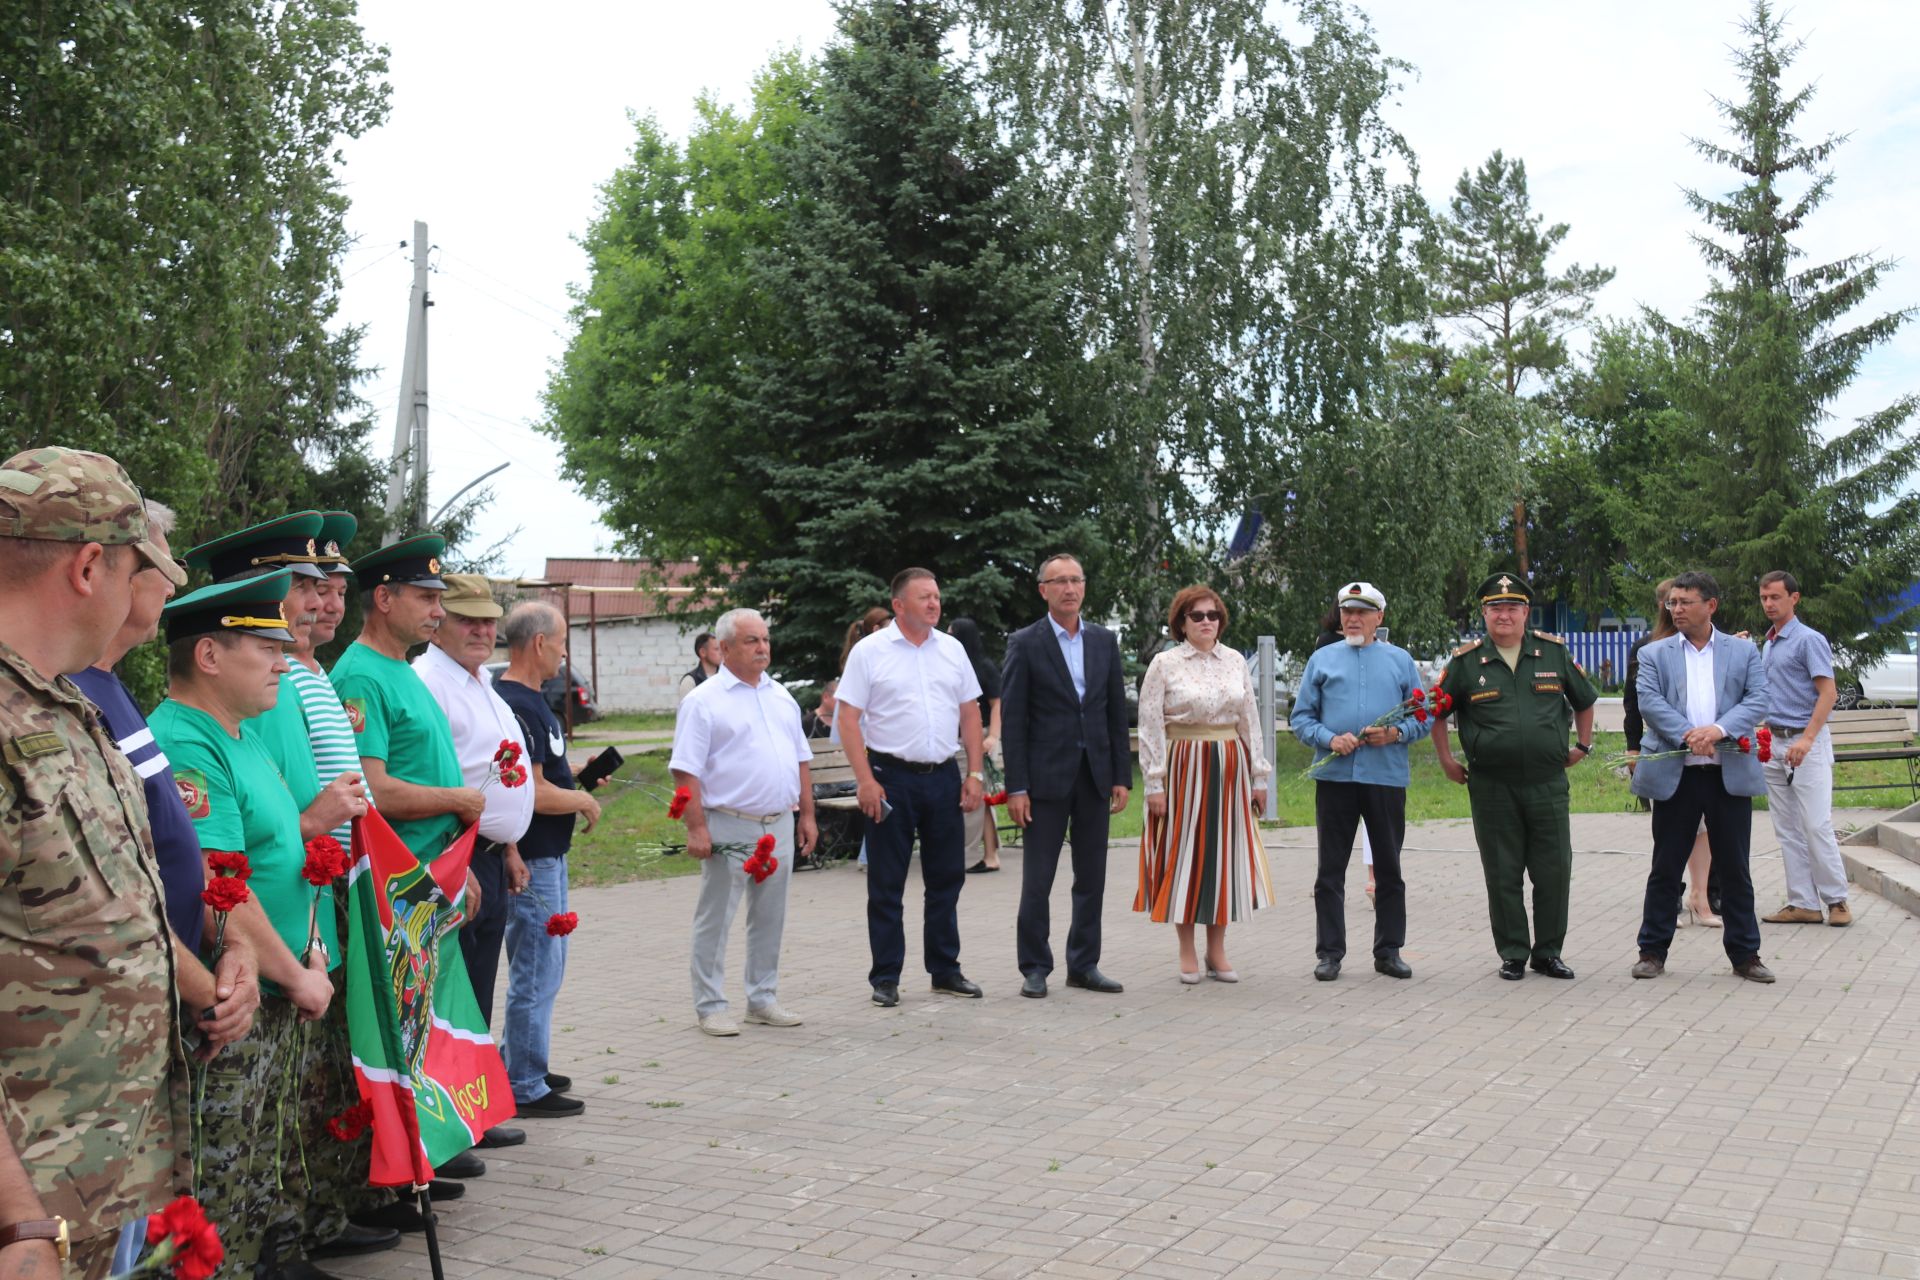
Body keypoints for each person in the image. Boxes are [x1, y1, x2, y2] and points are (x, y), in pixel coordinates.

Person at [0, 446, 189, 1280]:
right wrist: (20, 1225)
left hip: (98, 1182)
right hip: (33, 1211)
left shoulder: (67, 703)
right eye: (132, 570)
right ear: (88, 566)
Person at [149, 570, 357, 1279]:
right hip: (235, 996)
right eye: (265, 649)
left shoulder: (242, 734)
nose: (283, 661)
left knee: (258, 1169)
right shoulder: (185, 741)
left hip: (275, 987)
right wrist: (296, 972)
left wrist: (313, 952)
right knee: (218, 1184)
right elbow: (221, 885)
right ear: (209, 656)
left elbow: (282, 855)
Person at [67, 500, 260, 1047]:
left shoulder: (110, 685)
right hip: (116, 1013)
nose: (174, 589)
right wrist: (208, 990)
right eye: (166, 572)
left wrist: (235, 948)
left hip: (162, 994)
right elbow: (102, 894)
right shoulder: (68, 693)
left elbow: (173, 845)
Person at [330, 536, 492, 1181]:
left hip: (431, 875)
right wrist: (457, 799)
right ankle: (403, 1170)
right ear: (383, 598)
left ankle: (427, 1150)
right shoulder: (363, 675)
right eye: (425, 598)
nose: (437, 611)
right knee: (402, 1028)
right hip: (399, 883)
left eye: (438, 599)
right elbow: (373, 792)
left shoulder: (401, 667)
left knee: (426, 1025)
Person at [413, 573, 532, 1153]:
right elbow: (434, 781)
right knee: (450, 994)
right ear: (440, 624)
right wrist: (454, 862)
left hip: (487, 854)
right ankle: (450, 1118)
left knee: (478, 991)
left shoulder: (480, 680)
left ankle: (472, 1112)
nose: (483, 630)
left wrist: (508, 845)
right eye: (468, 619)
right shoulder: (430, 680)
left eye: (489, 621)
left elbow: (495, 773)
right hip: (453, 854)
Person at [1431, 574, 1599, 981]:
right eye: (1495, 608)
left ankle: (1548, 953)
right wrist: (1446, 760)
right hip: (1492, 785)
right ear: (1484, 614)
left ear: (1526, 612)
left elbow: (1585, 700)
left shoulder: (1553, 653)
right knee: (1503, 872)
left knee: (1554, 870)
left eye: (1511, 608)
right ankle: (1512, 952)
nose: (1503, 615)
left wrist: (1583, 745)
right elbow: (1435, 712)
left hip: (1547, 782)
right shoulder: (1465, 662)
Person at [837, 569, 986, 1007]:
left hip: (942, 777)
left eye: (937, 596)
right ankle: (885, 976)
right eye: (924, 597)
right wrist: (865, 780)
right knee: (887, 883)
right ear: (899, 605)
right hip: (890, 779)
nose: (934, 604)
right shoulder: (871, 652)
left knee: (947, 878)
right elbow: (848, 718)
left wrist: (974, 774)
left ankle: (945, 970)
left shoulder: (952, 650)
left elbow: (971, 714)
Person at [670, 608, 817, 1034]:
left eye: (766, 639)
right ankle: (711, 1004)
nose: (763, 647)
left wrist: (806, 814)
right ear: (725, 648)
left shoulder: (781, 695)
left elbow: (801, 760)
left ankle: (763, 998)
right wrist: (696, 827)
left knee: (771, 914)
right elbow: (686, 771)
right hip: (728, 822)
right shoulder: (703, 701)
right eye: (752, 640)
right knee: (716, 917)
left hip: (779, 822)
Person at [1628, 570, 1775, 983]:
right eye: (1672, 602)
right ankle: (1652, 952)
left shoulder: (1743, 652)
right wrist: (1689, 734)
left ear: (1710, 606)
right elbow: (1649, 703)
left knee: (1735, 869)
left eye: (1684, 602)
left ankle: (1746, 955)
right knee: (1665, 866)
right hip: (1678, 775)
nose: (1675, 609)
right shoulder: (1655, 653)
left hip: (1727, 773)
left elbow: (1758, 698)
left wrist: (1718, 730)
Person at [999, 554, 1130, 998]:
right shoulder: (1025, 642)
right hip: (1044, 780)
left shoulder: (1102, 640)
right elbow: (1013, 721)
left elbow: (1114, 711)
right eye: (1059, 582)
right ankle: (1035, 966)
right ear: (1043, 590)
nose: (1069, 589)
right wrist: (1016, 786)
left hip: (1094, 776)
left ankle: (1084, 964)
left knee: (1091, 877)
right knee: (1038, 879)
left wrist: (1120, 776)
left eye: (1076, 580)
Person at [1134, 584, 1273, 982]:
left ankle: (1217, 949)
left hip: (1228, 765)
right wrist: (1155, 782)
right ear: (1181, 622)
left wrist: (1258, 775)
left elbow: (1250, 720)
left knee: (1223, 856)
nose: (1207, 622)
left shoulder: (1235, 662)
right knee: (1185, 856)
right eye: (1197, 616)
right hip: (1183, 766)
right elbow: (1150, 725)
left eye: (1213, 615)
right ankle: (1186, 949)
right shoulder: (1164, 663)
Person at [1290, 582, 1426, 982]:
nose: (1352, 618)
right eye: (1347, 611)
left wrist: (1396, 734)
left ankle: (1389, 950)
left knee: (1388, 866)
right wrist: (1328, 739)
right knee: (1330, 869)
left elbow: (1423, 715)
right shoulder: (1322, 659)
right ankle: (1329, 953)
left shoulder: (1400, 661)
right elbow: (1301, 718)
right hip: (1335, 776)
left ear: (1378, 619)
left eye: (1362, 612)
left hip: (1384, 777)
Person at [495, 602, 595, 1115]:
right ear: (538, 644)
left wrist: (576, 774)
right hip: (533, 859)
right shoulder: (516, 703)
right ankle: (523, 1084)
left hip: (549, 853)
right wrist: (580, 799)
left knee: (548, 965)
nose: (563, 651)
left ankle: (523, 1059)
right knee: (536, 968)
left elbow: (545, 770)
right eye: (560, 641)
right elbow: (531, 790)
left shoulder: (534, 702)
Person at [1757, 570, 1850, 927]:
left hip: (1804, 741)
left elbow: (1828, 693)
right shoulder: (1769, 642)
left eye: (1775, 597)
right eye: (1764, 598)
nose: (1769, 604)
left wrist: (1808, 739)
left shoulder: (1809, 640)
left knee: (1815, 824)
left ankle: (1837, 900)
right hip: (1774, 742)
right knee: (1787, 828)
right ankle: (1803, 902)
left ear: (1794, 598)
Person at [949, 618, 1004, 874]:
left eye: (951, 633)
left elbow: (997, 703)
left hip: (978, 738)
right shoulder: (953, 664)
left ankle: (970, 856)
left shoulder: (983, 666)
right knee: (981, 799)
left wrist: (992, 736)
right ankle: (990, 854)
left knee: (972, 799)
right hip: (959, 739)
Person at [676, 632, 719, 704]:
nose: (721, 652)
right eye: (716, 649)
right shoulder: (690, 681)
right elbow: (687, 712)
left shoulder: (727, 677)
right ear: (702, 652)